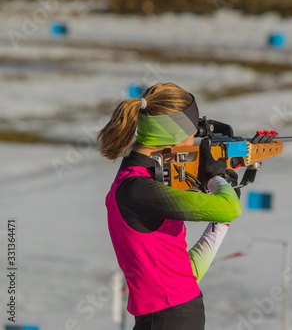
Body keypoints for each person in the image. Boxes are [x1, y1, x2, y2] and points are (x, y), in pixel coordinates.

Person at [97, 83, 242, 330]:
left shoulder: (133, 179)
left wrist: (216, 230)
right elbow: (231, 207)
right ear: (175, 135)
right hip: (174, 316)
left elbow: (182, 275)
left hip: (171, 312)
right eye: (192, 133)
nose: (194, 141)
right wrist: (214, 177)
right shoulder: (139, 190)